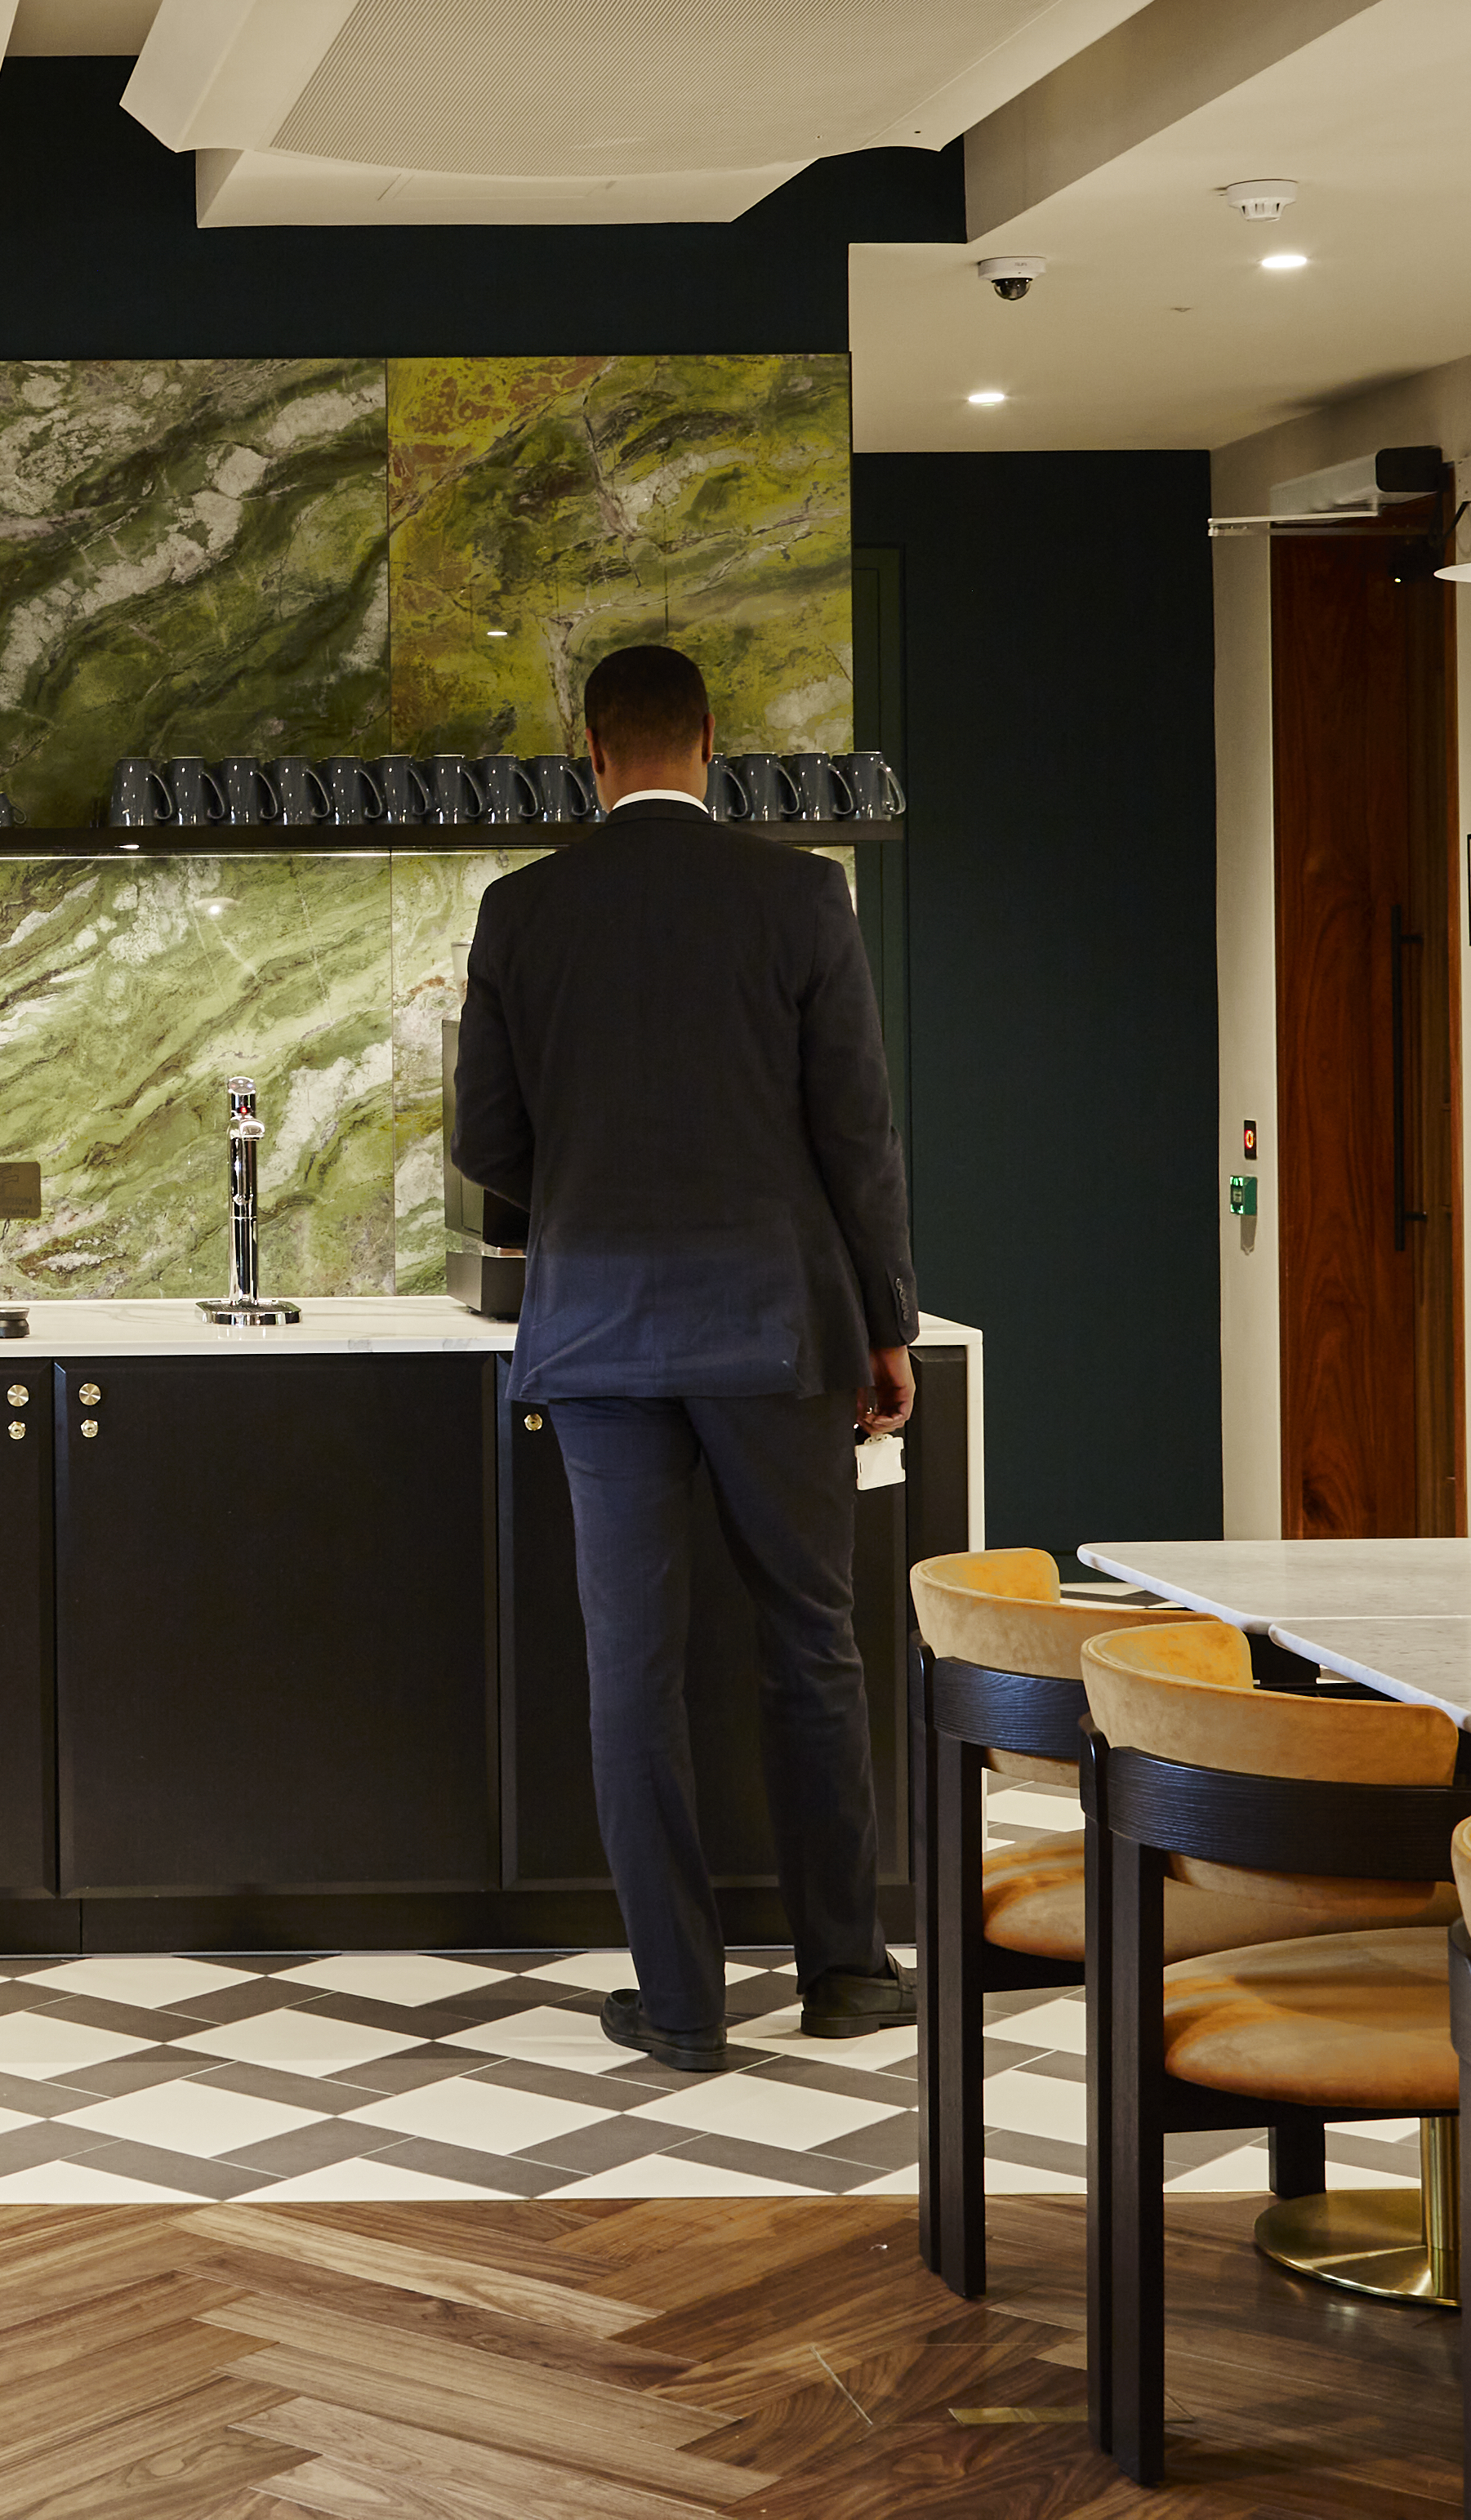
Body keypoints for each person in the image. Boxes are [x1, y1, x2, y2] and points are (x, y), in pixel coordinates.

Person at [449, 642, 919, 2071]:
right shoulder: (799, 894)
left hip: (594, 1332)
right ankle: (844, 1971)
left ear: (587, 752)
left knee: (631, 1667)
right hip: (774, 1330)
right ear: (709, 741)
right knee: (810, 1644)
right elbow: (857, 1130)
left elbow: (485, 1139)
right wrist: (885, 1320)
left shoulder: (523, 910)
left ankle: (681, 2001)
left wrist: (580, 1191)